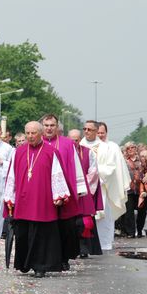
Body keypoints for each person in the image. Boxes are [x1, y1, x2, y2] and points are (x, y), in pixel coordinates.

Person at [3, 121, 70, 278]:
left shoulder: (50, 152)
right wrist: (9, 197)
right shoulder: (18, 152)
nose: (30, 136)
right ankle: (25, 264)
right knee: (23, 234)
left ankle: (41, 266)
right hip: (23, 200)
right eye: (28, 133)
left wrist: (59, 196)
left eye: (33, 133)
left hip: (43, 201)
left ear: (41, 134)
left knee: (41, 235)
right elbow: (11, 176)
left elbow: (57, 175)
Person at [41, 114, 86, 270]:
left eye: (52, 125)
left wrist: (79, 189)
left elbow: (76, 166)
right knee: (47, 227)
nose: (49, 128)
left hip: (64, 191)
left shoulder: (67, 144)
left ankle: (64, 258)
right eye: (46, 125)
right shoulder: (36, 144)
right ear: (42, 127)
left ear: (57, 127)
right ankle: (48, 257)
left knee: (65, 227)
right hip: (44, 192)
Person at [81, 121, 129, 250]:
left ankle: (104, 244)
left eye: (90, 129)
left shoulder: (105, 147)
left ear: (96, 131)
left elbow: (110, 167)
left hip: (101, 187)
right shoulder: (79, 145)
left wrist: (93, 175)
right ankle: (84, 246)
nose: (86, 131)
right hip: (82, 188)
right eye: (84, 129)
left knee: (103, 218)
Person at [68, 129, 103, 257]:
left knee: (84, 223)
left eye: (76, 140)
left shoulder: (88, 153)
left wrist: (82, 187)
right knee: (70, 223)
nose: (74, 142)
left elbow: (93, 172)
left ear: (80, 139)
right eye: (71, 139)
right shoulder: (64, 151)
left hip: (83, 192)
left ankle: (84, 249)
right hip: (68, 192)